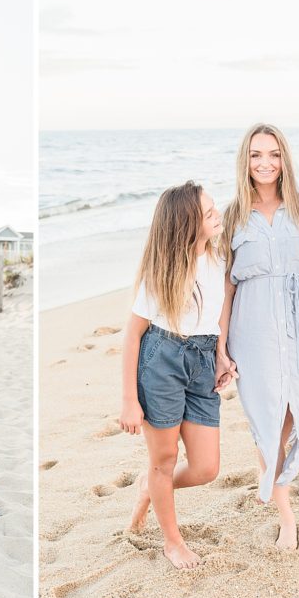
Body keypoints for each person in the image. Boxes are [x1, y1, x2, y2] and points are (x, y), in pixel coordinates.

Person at [119, 181, 234, 570]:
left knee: (206, 468)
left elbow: (218, 313)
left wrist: (220, 355)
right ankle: (172, 541)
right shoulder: (163, 271)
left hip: (202, 360)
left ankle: (149, 488)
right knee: (163, 459)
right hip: (161, 361)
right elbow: (133, 335)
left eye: (214, 207)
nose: (217, 214)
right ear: (187, 224)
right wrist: (129, 400)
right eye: (208, 212)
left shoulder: (220, 259)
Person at [218, 124, 299, 550]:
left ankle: (271, 476)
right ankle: (286, 516)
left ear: (285, 159)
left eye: (274, 154)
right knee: (268, 417)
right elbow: (226, 285)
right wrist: (220, 347)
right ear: (245, 160)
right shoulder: (231, 216)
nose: (265, 163)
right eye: (257, 155)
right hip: (253, 325)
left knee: (297, 412)